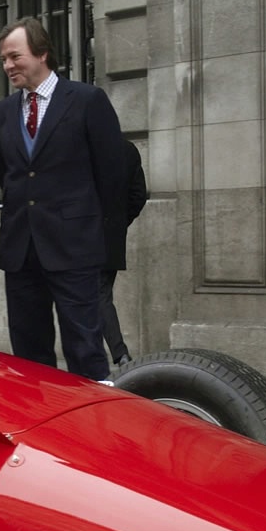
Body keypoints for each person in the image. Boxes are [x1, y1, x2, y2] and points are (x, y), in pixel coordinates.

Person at [0, 17, 127, 382]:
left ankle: (94, 428)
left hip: (75, 250)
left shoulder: (86, 100)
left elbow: (114, 176)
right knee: (29, 356)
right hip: (21, 251)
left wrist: (98, 236)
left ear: (42, 53)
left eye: (15, 56)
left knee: (84, 350)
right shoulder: (3, 112)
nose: (8, 66)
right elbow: (10, 175)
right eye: (3, 59)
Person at [100, 138, 149, 367]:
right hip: (111, 238)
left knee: (93, 299)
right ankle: (117, 355)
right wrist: (118, 225)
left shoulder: (79, 144)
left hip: (79, 237)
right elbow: (138, 196)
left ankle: (117, 354)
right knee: (100, 297)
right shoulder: (127, 149)